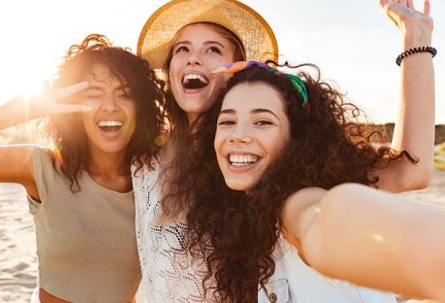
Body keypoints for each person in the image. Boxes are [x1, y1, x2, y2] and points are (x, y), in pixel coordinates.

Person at [133, 0, 435, 301]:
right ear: (168, 70)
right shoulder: (146, 162)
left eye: (213, 49)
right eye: (182, 49)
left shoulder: (279, 172)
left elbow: (329, 214)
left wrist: (415, 40)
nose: (194, 59)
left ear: (236, 70)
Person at [187, 58, 443, 302]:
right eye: (227, 121)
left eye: (263, 121)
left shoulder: (296, 202)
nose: (237, 135)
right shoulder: (245, 215)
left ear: (296, 139)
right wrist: (415, 37)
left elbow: (323, 221)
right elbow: (410, 172)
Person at [0, 34, 165, 303]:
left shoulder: (156, 180)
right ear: (72, 107)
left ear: (141, 108)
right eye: (94, 94)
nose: (110, 106)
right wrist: (21, 109)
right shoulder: (42, 168)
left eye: (124, 95)